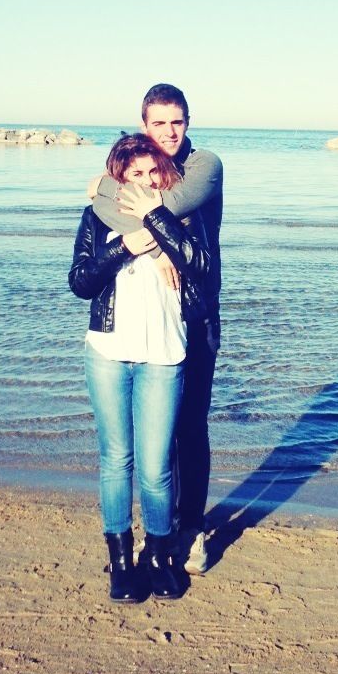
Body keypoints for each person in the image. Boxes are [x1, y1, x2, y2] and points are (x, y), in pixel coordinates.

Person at [68, 133, 212, 603]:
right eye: (136, 174)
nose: (147, 180)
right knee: (116, 460)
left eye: (154, 173)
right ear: (119, 179)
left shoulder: (182, 218)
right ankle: (121, 560)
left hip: (166, 353)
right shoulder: (97, 217)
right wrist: (125, 246)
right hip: (109, 351)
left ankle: (161, 556)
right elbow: (81, 281)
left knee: (155, 468)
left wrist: (156, 221)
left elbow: (199, 266)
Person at [90, 84, 222, 576]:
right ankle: (156, 533)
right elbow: (106, 208)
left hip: (196, 313)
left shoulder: (205, 165)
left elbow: (163, 207)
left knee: (189, 428)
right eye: (158, 123)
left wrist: (108, 188)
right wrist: (105, 191)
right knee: (149, 440)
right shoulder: (141, 167)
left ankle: (190, 530)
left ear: (188, 122)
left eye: (177, 121)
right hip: (151, 316)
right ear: (144, 124)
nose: (168, 132)